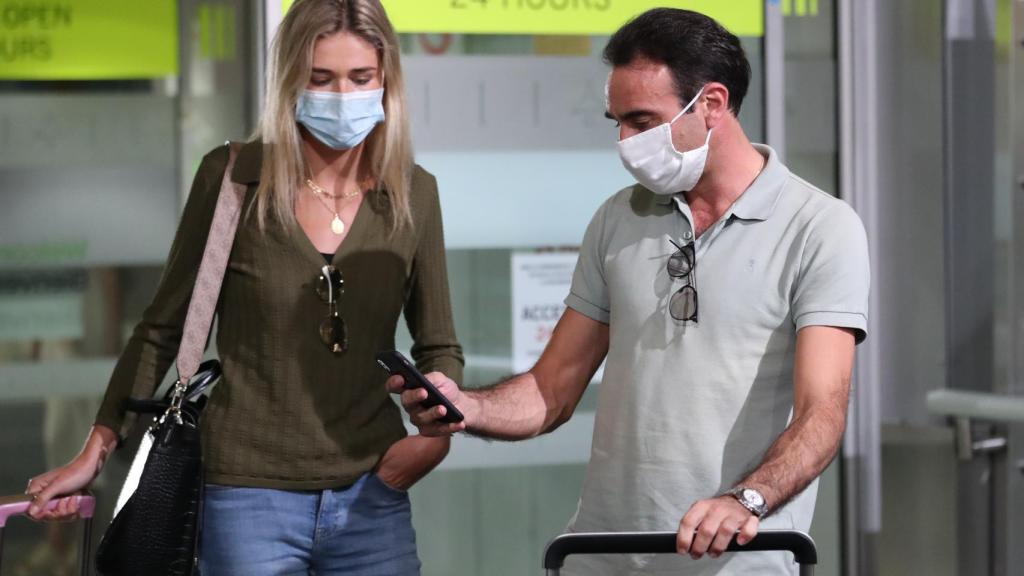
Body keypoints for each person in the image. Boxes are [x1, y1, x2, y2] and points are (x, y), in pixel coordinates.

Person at [391, 8, 868, 575]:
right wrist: (469, 407)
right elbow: (552, 390)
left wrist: (747, 501)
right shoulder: (617, 218)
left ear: (712, 104)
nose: (625, 141)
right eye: (616, 122)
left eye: (643, 122)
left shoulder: (820, 227)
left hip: (740, 564)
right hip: (600, 556)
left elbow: (822, 415)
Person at [25, 1, 463, 574]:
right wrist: (97, 448)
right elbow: (163, 328)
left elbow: (439, 346)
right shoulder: (234, 179)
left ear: (386, 79)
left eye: (361, 78)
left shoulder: (413, 193)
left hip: (373, 495)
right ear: (289, 82)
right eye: (321, 78)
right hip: (246, 496)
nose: (342, 96)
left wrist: (435, 438)